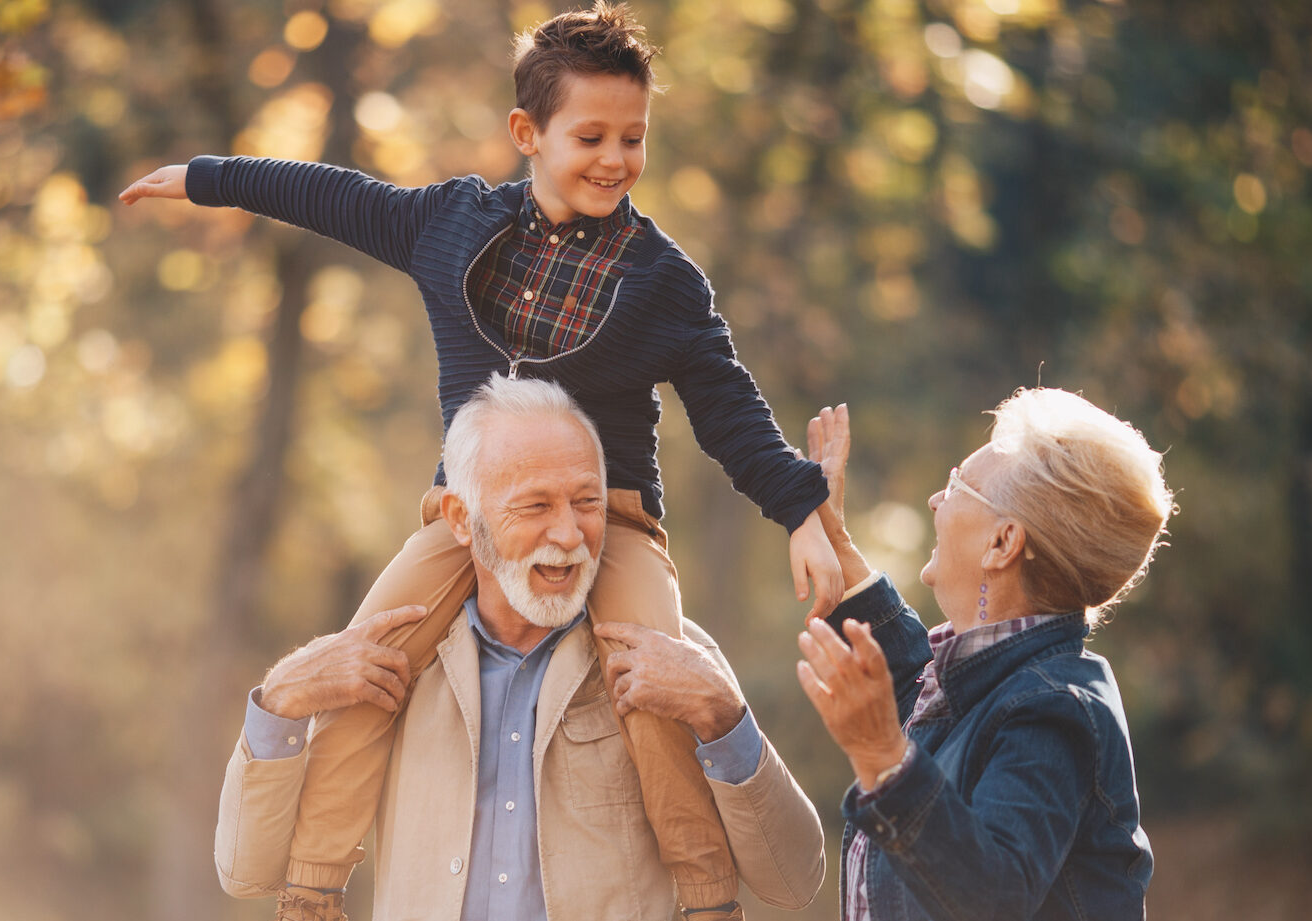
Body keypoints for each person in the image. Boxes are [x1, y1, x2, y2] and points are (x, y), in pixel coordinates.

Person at [122, 4, 839, 917]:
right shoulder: (450, 225)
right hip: (466, 514)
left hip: (610, 520)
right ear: (526, 133)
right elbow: (328, 193)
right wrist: (205, 177)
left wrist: (803, 511)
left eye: (634, 137)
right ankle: (310, 891)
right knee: (365, 665)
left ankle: (703, 895)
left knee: (650, 675)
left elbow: (731, 412)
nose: (615, 159)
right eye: (590, 135)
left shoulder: (662, 282)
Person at [215, 374, 828, 921]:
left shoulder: (669, 656)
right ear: (461, 518)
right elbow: (245, 872)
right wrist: (282, 699)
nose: (568, 533)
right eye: (535, 506)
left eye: (587, 503)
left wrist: (725, 716)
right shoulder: (395, 663)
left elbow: (794, 881)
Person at [790, 392, 1172, 920]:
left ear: (1003, 542)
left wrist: (883, 758)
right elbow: (913, 686)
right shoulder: (991, 684)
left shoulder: (1053, 712)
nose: (935, 501)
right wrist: (832, 535)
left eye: (955, 485)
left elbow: (993, 898)